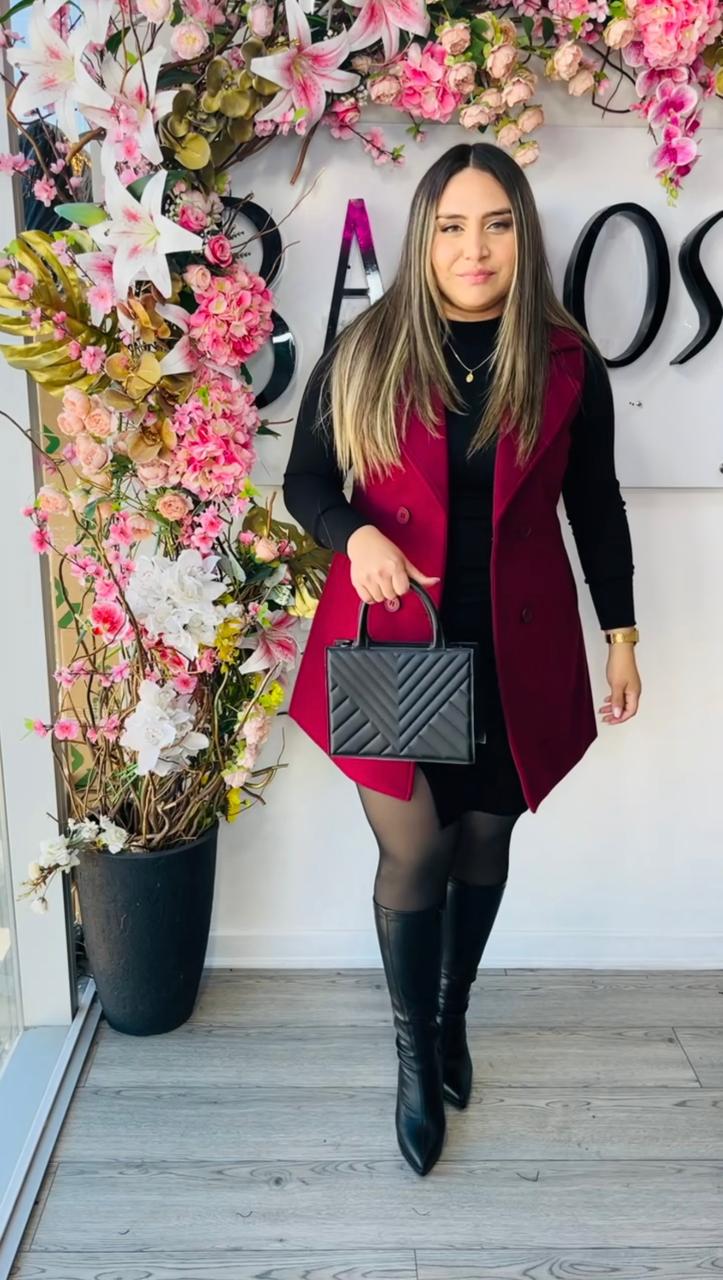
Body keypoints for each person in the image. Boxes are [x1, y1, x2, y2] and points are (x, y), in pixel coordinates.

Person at [282, 141, 642, 1177]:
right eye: (450, 226)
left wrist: (621, 636)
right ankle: (411, 1062)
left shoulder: (565, 361)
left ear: (522, 234)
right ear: (423, 236)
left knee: (485, 837)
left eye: (495, 224)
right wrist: (354, 534)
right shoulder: (367, 347)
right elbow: (307, 481)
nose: (472, 248)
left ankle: (451, 1020)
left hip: (516, 644)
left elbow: (596, 506)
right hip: (397, 641)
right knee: (415, 851)